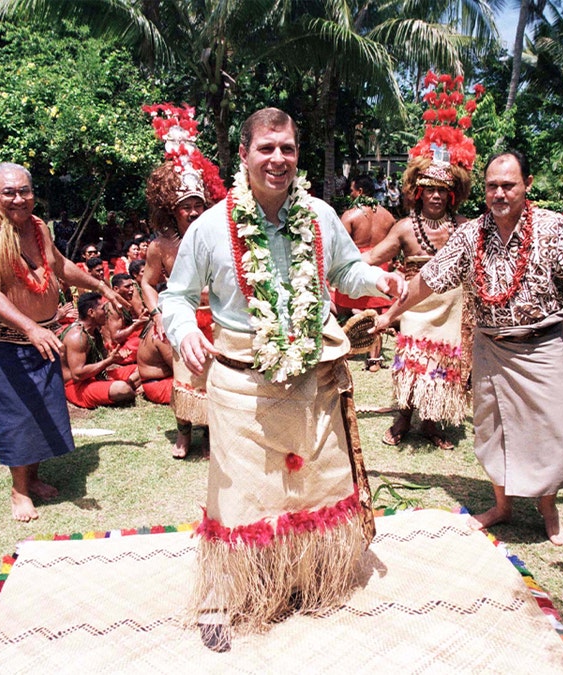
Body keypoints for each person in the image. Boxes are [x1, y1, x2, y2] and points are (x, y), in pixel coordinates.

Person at [161, 107, 404, 650]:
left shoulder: (319, 215)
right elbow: (174, 296)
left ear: (298, 155)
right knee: (241, 496)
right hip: (241, 384)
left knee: (312, 486)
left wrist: (380, 278)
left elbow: (345, 271)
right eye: (266, 149)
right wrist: (185, 332)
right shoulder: (209, 227)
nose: (278, 159)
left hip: (311, 381)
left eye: (288, 149)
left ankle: (303, 581)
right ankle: (222, 599)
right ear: (242, 155)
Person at [374, 150, 563, 547]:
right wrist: (389, 315)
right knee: (493, 429)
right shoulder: (470, 234)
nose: (500, 193)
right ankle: (502, 507)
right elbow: (429, 279)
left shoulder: (556, 229)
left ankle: (548, 510)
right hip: (491, 347)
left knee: (551, 430)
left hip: (541, 347)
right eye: (492, 186)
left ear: (528, 185)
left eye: (508, 185)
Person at [0, 163, 125, 521]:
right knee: (18, 415)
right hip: (9, 343)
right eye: (9, 192)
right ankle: (18, 492)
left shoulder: (37, 229)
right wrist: (30, 329)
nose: (19, 198)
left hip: (44, 337)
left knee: (42, 411)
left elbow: (60, 265)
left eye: (24, 191)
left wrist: (100, 285)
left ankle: (32, 478)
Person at [362, 123, 474, 450]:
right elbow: (372, 257)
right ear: (419, 192)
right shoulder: (405, 228)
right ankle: (403, 418)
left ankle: (429, 422)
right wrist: (334, 264)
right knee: (412, 362)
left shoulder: (464, 228)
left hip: (452, 309)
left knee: (440, 365)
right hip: (414, 305)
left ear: (451, 194)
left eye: (442, 190)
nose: (436, 196)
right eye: (430, 190)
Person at [140, 101, 227, 458]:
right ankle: (184, 433)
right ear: (170, 210)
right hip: (183, 319)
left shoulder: (217, 236)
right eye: (185, 206)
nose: (192, 212)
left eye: (198, 205)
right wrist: (157, 313)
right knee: (185, 376)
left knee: (213, 378)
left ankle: (209, 435)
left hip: (216, 320)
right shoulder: (160, 246)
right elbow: (147, 283)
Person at [334, 174, 396, 371]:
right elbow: (394, 247)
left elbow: (339, 246)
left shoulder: (350, 215)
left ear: (360, 192)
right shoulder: (388, 217)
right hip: (380, 264)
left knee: (340, 309)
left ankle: (343, 350)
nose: (350, 194)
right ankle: (374, 360)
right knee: (376, 314)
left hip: (355, 264)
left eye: (352, 190)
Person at [60, 291, 140, 408]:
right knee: (122, 389)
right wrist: (110, 361)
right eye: (103, 309)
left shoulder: (94, 330)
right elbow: (77, 374)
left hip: (95, 376)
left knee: (141, 368)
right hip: (76, 386)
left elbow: (104, 356)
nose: (107, 312)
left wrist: (114, 356)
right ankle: (127, 390)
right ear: (91, 312)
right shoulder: (77, 337)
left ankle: (121, 388)